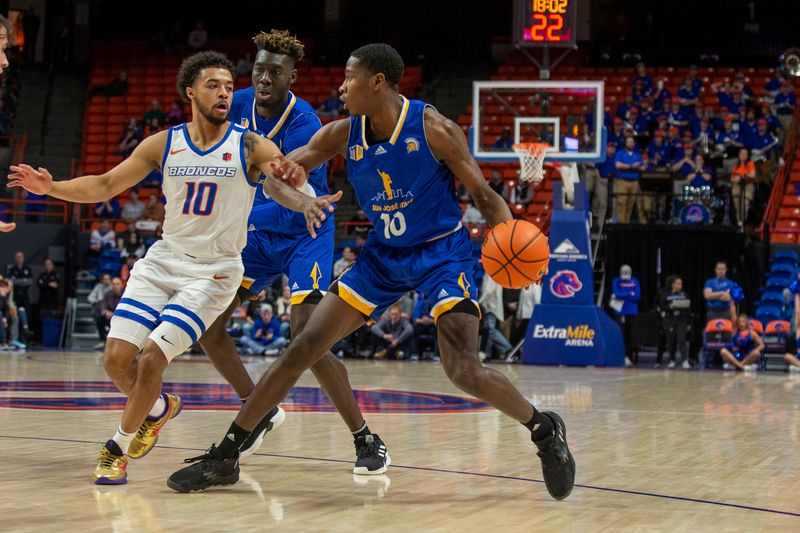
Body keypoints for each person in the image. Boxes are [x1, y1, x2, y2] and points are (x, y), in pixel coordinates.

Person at [168, 43, 575, 500]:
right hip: (381, 257)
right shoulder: (342, 133)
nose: (340, 87)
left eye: (349, 78)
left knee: (462, 369)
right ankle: (226, 457)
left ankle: (544, 430)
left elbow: (482, 194)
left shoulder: (434, 129)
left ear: (377, 82)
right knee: (303, 347)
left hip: (442, 254)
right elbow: (279, 172)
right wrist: (285, 179)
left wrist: (512, 237)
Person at [7, 50, 334, 486]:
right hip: (164, 261)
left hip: (215, 270)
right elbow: (106, 184)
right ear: (190, 92)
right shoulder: (164, 143)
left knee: (151, 358)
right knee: (116, 359)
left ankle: (116, 449)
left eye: (226, 85)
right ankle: (159, 409)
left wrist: (306, 199)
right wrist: (51, 188)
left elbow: (280, 183)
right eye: (212, 85)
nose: (223, 92)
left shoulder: (250, 144)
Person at [201, 30, 389, 472]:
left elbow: (278, 182)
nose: (265, 78)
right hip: (257, 239)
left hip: (305, 231)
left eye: (275, 72)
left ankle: (365, 438)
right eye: (260, 69)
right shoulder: (237, 103)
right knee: (208, 325)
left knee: (307, 336)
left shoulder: (303, 120)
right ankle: (258, 407)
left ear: (292, 76)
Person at [610, 265, 640, 367]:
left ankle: (628, 357)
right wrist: (629, 293)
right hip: (620, 312)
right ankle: (620, 356)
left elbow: (637, 296)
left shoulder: (635, 281)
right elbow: (617, 294)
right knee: (621, 334)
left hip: (631, 312)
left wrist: (624, 294)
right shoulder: (617, 281)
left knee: (630, 335)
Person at [478, 273, 512, 361]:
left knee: (490, 329)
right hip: (491, 306)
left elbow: (488, 291)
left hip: (490, 307)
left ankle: (508, 348)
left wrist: (479, 302)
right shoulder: (493, 272)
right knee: (488, 331)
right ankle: (486, 354)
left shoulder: (491, 273)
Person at [660, 275, 691, 369]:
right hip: (670, 320)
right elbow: (661, 307)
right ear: (673, 284)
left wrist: (689, 323)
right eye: (678, 283)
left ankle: (685, 360)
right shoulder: (666, 295)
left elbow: (688, 309)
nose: (680, 285)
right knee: (671, 341)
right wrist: (670, 307)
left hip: (681, 320)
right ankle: (671, 360)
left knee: (682, 340)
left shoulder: (684, 294)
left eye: (681, 284)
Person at [613, 135, 644, 224]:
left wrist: (638, 166)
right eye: (629, 142)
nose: (631, 144)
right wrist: (631, 166)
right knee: (622, 203)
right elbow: (618, 165)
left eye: (632, 142)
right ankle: (620, 224)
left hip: (634, 182)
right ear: (625, 143)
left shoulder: (637, 155)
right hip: (622, 181)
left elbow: (642, 167)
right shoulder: (620, 153)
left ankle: (627, 223)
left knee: (630, 204)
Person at [5, 251, 32, 338]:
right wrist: (23, 281)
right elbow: (9, 282)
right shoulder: (12, 270)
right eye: (17, 257)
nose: (19, 259)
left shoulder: (27, 269)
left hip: (24, 297)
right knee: (14, 318)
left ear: (23, 258)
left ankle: (25, 333)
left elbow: (29, 282)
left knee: (22, 312)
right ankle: (12, 338)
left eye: (21, 257)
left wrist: (16, 281)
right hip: (13, 298)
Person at [96, 277, 124, 349]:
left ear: (121, 285)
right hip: (110, 318)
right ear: (111, 285)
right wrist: (105, 311)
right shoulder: (108, 294)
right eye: (113, 284)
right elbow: (103, 305)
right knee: (98, 316)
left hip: (122, 318)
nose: (115, 286)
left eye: (117, 284)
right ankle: (103, 340)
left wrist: (114, 314)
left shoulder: (125, 295)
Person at [730, 148, 755, 226]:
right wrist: (737, 179)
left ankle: (743, 221)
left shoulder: (750, 164)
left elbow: (753, 175)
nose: (743, 156)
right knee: (737, 202)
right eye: (742, 154)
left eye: (745, 154)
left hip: (747, 184)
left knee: (745, 202)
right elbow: (732, 178)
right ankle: (739, 221)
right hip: (737, 185)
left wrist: (743, 175)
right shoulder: (735, 166)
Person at [88, 273, 113, 349]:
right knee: (98, 317)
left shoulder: (113, 287)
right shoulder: (98, 287)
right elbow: (90, 298)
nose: (106, 281)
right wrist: (97, 301)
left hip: (111, 309)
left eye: (108, 279)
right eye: (105, 279)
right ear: (102, 280)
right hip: (100, 310)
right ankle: (103, 340)